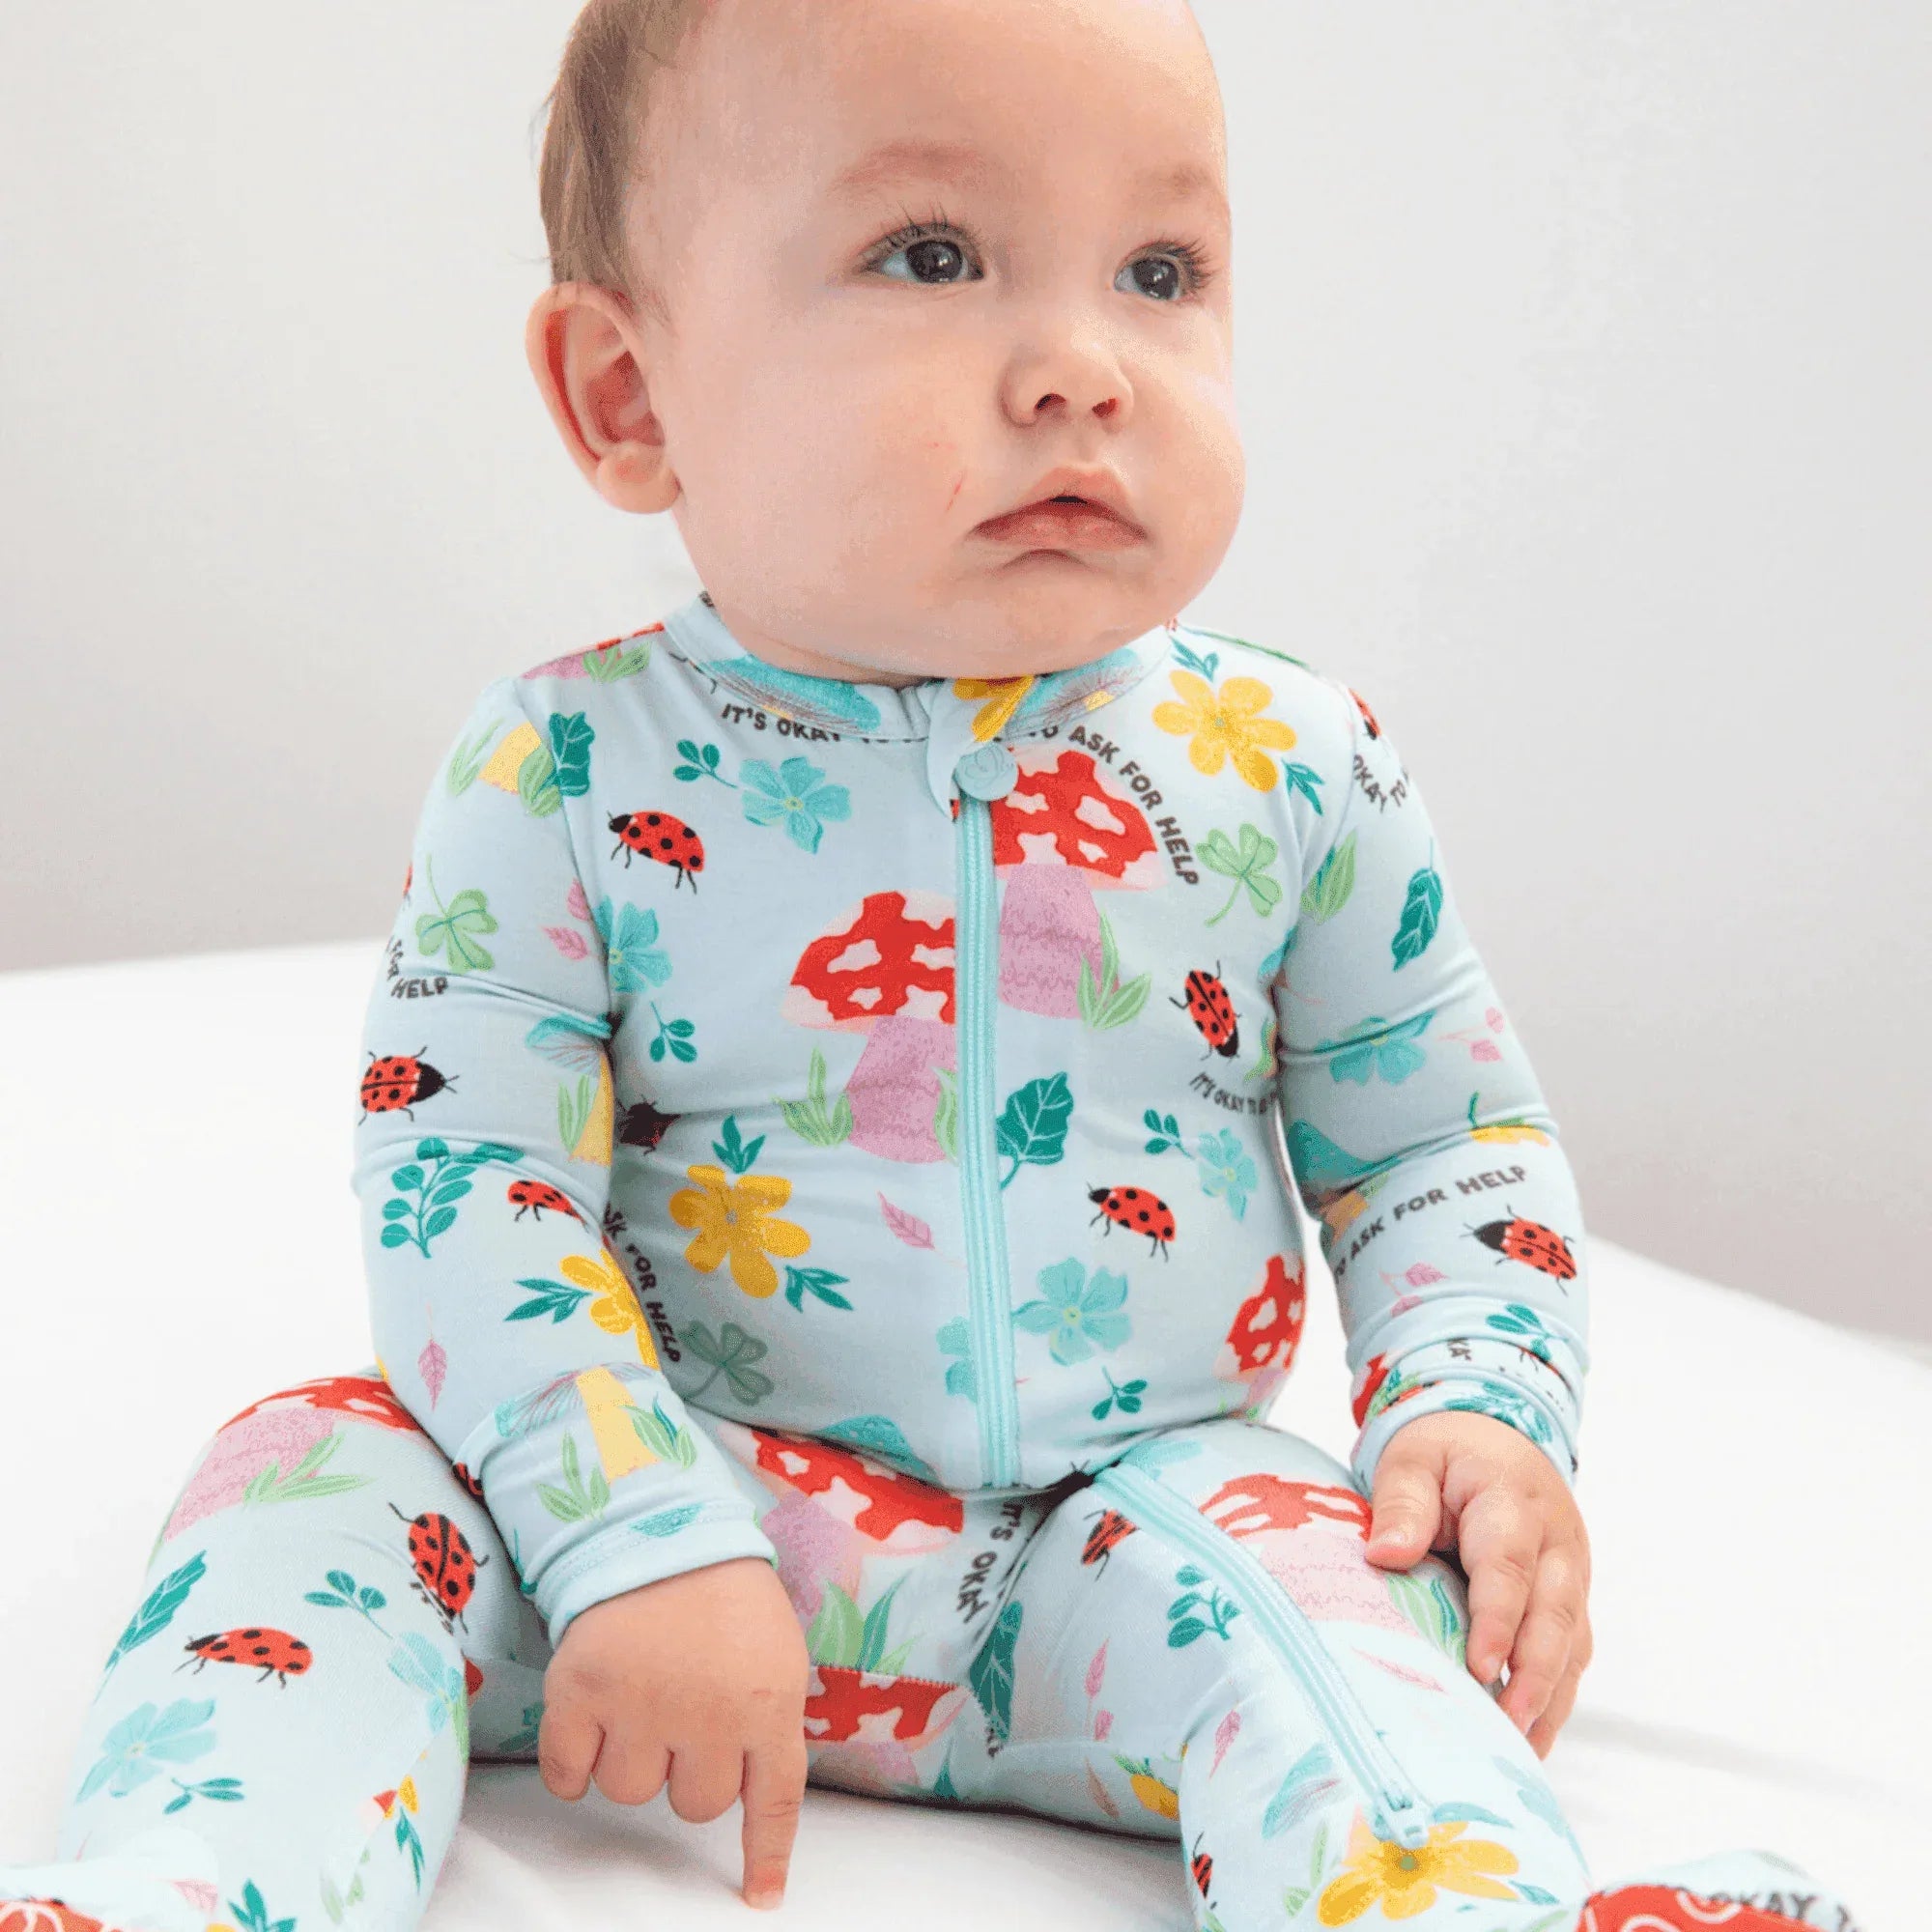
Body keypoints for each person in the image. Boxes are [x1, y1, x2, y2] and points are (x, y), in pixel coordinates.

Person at [0, 3, 1866, 1929]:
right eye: (932, 255)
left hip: (1127, 1544)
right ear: (632, 397)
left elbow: (1437, 1144)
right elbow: (471, 1177)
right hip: (672, 1512)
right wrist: (628, 1525)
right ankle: (191, 1885)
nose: (1082, 367)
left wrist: (1474, 1405)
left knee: (1327, 1607)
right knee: (313, 1475)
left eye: (1161, 272)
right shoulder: (562, 771)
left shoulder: (1293, 766)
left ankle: (1471, 1909)